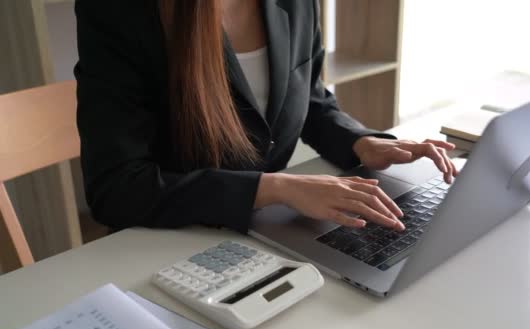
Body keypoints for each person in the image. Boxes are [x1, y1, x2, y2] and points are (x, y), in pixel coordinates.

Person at [74, 0, 458, 234]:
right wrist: (277, 188)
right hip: (169, 240)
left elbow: (309, 96)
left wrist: (358, 141)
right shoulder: (118, 10)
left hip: (272, 232)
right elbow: (116, 189)